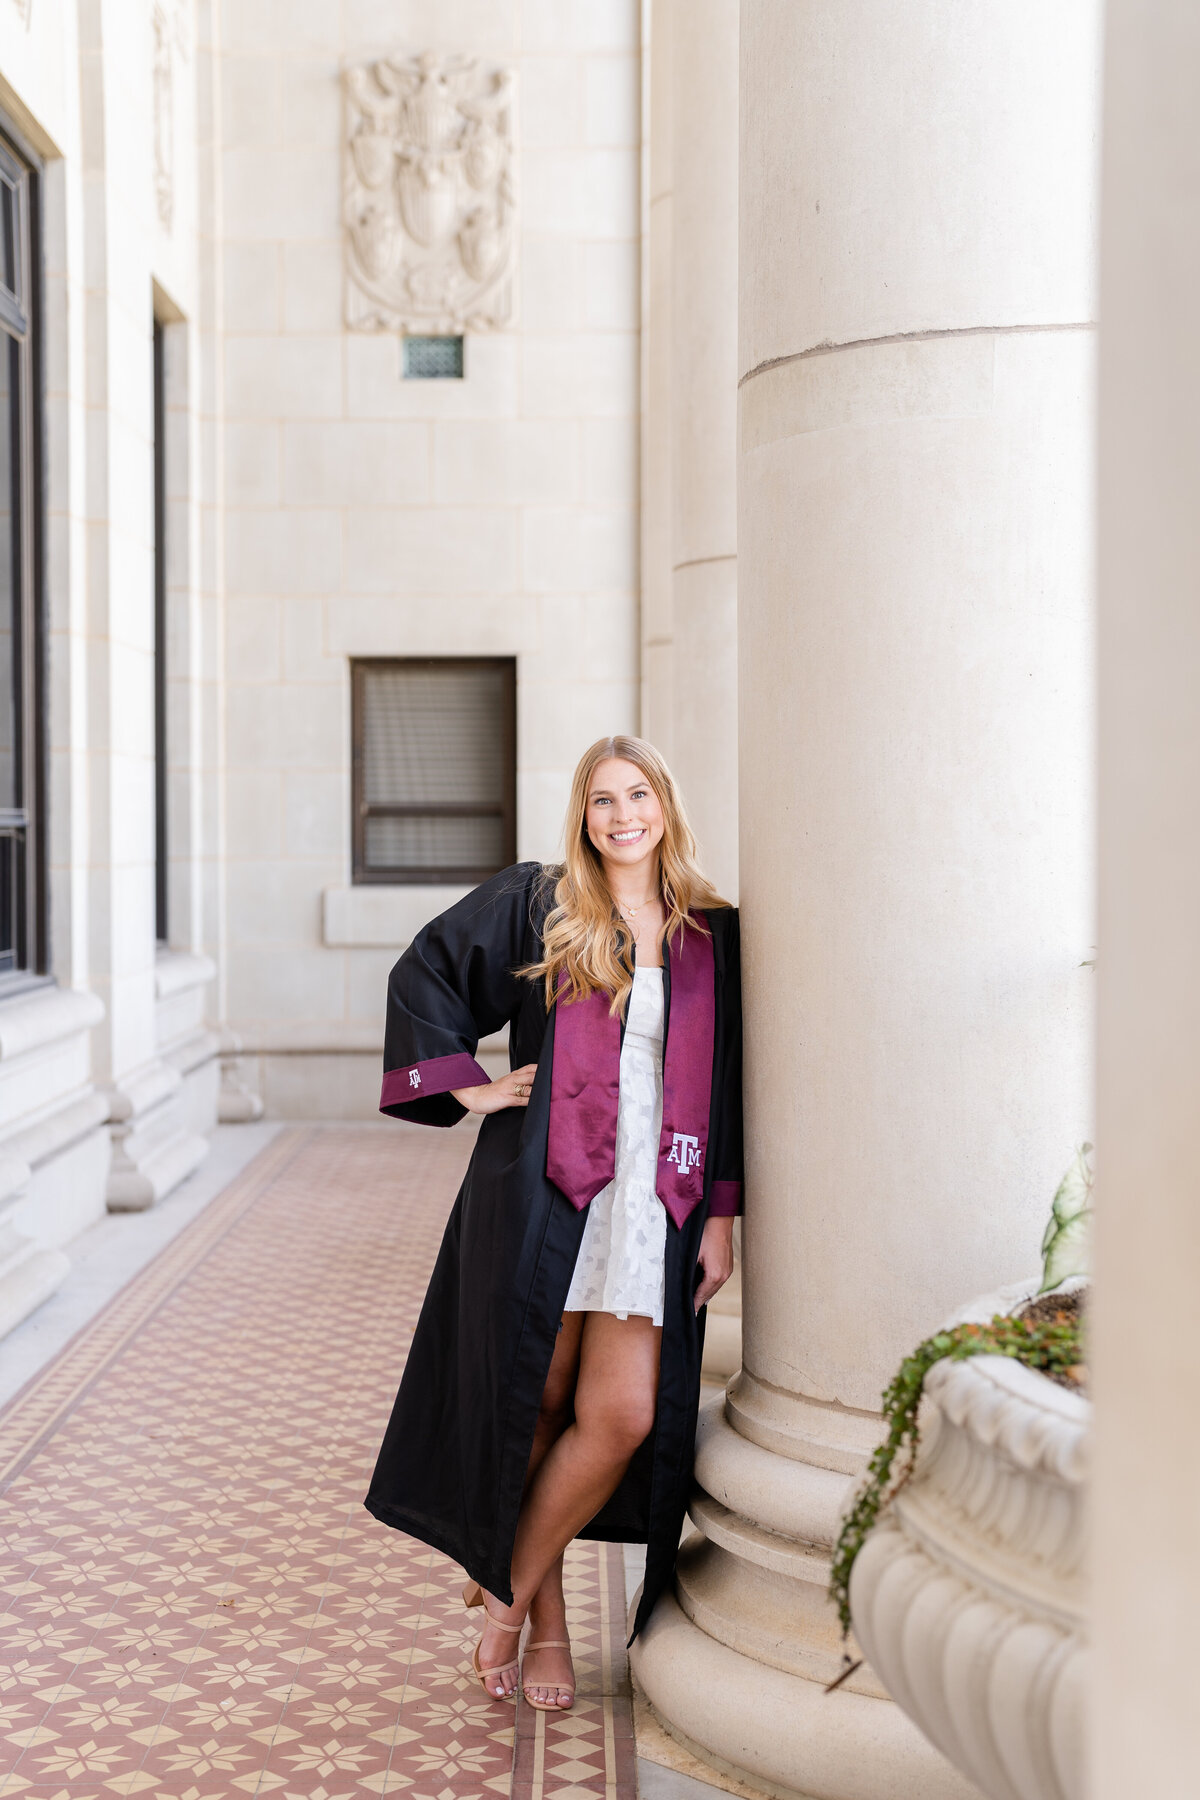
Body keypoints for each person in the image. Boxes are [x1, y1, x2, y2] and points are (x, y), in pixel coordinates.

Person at [365, 734, 743, 1712]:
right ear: (583, 817)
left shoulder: (711, 933)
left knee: (618, 1416)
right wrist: (468, 1091)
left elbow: (734, 1084)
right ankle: (544, 1630)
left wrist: (722, 1216)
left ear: (666, 803)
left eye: (638, 795)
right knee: (534, 1404)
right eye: (602, 801)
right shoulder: (542, 904)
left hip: (653, 1199)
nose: (622, 817)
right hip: (542, 1189)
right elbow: (425, 976)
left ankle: (502, 1590)